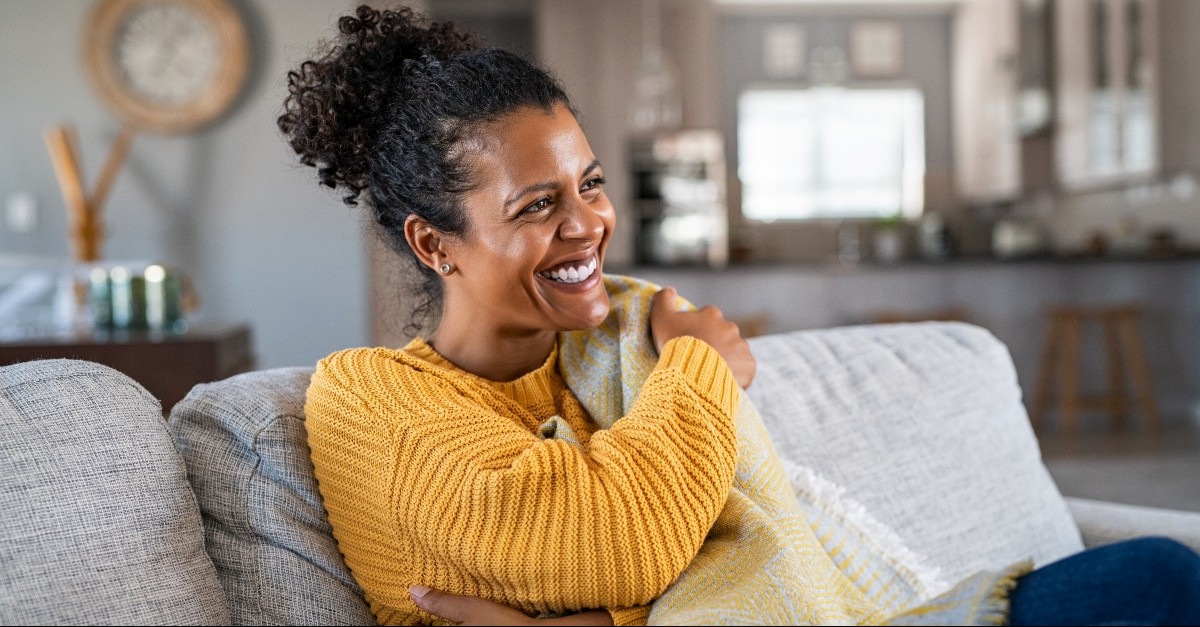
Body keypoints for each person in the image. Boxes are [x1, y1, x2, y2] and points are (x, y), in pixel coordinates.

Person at [280, 5, 1200, 626]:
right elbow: (616, 536)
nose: (589, 224)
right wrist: (704, 368)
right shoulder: (367, 399)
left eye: (590, 184)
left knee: (1161, 572)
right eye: (536, 205)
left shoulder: (610, 345)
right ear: (436, 244)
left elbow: (697, 553)